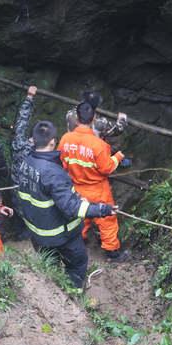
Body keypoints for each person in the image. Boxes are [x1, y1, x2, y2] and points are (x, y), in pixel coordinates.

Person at [14, 94, 115, 288]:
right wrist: (103, 210)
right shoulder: (53, 173)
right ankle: (72, 294)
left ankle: (53, 292)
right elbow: (71, 207)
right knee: (77, 264)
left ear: (32, 140)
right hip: (60, 234)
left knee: (49, 265)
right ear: (52, 142)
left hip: (37, 232)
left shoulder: (24, 163)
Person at [59, 102, 129, 261]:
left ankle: (78, 241)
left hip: (75, 187)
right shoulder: (99, 144)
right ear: (94, 119)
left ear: (76, 118)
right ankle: (112, 252)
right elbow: (107, 168)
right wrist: (118, 157)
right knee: (107, 220)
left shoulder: (65, 139)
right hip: (98, 190)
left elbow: (62, 163)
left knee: (80, 216)